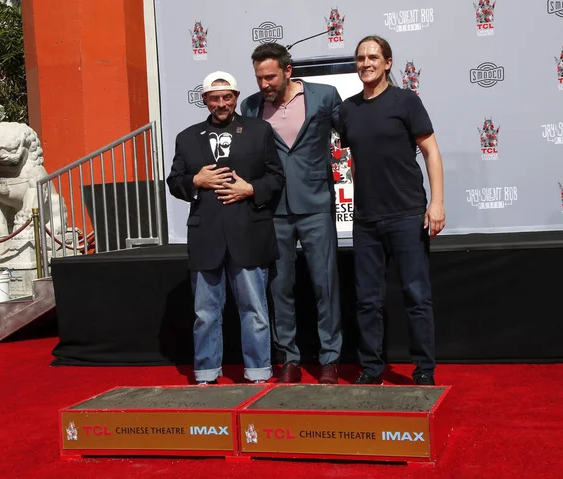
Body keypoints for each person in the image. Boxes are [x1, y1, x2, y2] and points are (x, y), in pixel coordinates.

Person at [338, 35, 445, 386]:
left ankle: (424, 370)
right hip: (366, 219)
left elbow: (430, 151)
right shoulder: (347, 109)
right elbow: (346, 159)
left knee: (416, 296)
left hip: (406, 214)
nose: (366, 63)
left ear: (387, 62)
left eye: (373, 57)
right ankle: (371, 369)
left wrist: (437, 202)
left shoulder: (406, 101)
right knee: (367, 301)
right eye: (360, 58)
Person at [167, 71, 285, 385]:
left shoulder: (260, 131)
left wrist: (251, 190)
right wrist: (195, 181)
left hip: (249, 232)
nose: (221, 103)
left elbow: (276, 177)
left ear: (235, 97)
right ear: (204, 100)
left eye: (227, 97)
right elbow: (174, 182)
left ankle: (258, 373)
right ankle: (206, 374)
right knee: (205, 313)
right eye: (215, 98)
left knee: (254, 310)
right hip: (207, 236)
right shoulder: (187, 137)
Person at [241, 43, 343, 384]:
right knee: (280, 287)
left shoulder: (325, 96)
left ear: (288, 70)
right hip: (273, 210)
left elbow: (353, 135)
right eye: (259, 78)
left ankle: (329, 358)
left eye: (270, 76)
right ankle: (289, 357)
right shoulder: (251, 106)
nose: (264, 84)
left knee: (324, 285)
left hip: (315, 205)